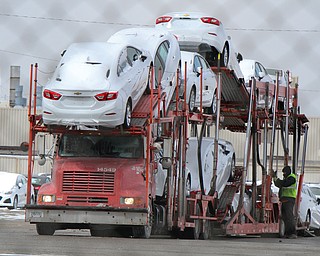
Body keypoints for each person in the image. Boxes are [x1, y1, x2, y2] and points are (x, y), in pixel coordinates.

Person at [271, 166, 297, 239]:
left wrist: (277, 179)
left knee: (289, 217)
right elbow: (278, 184)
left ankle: (292, 233)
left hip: (289, 199)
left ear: (288, 172)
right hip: (285, 200)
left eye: (284, 172)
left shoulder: (292, 178)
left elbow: (284, 184)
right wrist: (274, 177)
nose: (283, 174)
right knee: (285, 217)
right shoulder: (287, 178)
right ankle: (288, 233)